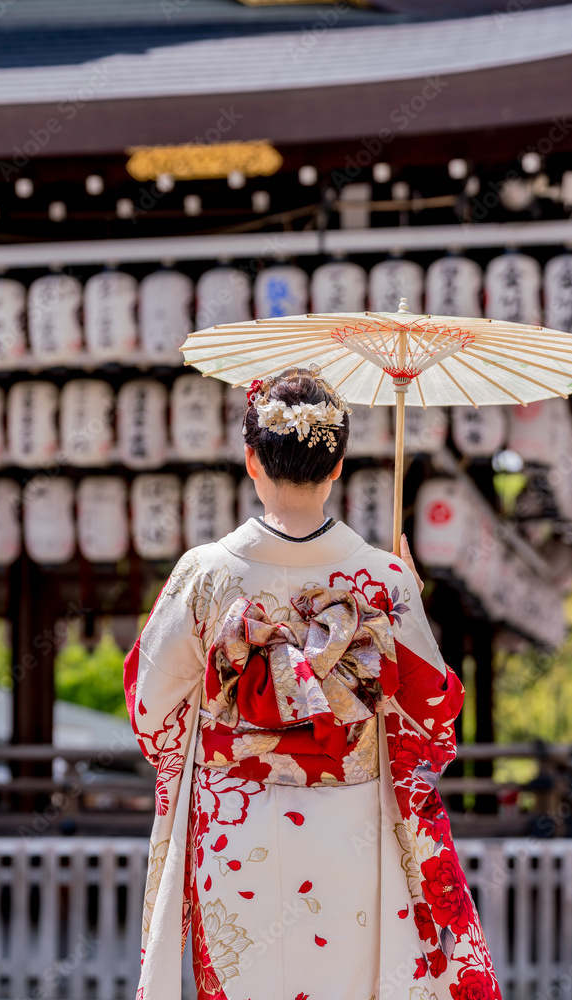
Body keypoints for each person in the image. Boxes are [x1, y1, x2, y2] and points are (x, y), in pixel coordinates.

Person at [124, 368, 501, 1000]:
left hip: (234, 820)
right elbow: (433, 720)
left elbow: (148, 707)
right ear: (337, 465)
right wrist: (402, 592)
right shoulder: (381, 579)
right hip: (349, 829)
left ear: (251, 459)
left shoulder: (206, 573)